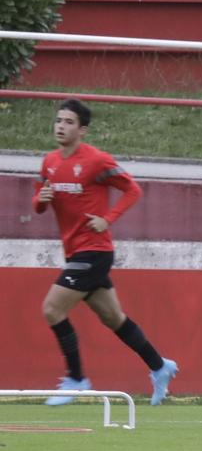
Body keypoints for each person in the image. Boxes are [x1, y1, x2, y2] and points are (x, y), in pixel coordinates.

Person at [32, 99, 178, 405]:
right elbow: (39, 203)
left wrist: (107, 219)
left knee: (52, 309)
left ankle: (76, 378)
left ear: (83, 130)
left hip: (94, 251)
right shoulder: (49, 162)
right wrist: (42, 199)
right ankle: (159, 366)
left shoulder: (97, 161)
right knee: (114, 318)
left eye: (69, 122)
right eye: (58, 120)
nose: (61, 126)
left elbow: (132, 190)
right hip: (76, 253)